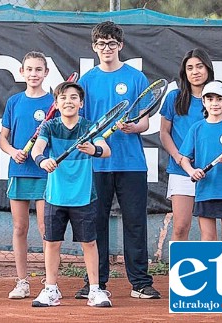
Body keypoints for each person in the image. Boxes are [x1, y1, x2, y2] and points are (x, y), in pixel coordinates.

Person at [77, 21, 160, 299]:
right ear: (94, 47)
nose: (107, 48)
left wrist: (133, 127)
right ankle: (95, 283)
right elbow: (82, 122)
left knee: (135, 222)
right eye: (101, 44)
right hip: (97, 164)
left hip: (132, 163)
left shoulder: (136, 78)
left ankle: (140, 283)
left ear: (120, 46)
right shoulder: (87, 81)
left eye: (112, 44)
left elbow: (145, 121)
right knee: (95, 223)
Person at [29, 81, 112, 307]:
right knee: (52, 243)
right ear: (56, 103)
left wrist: (92, 149)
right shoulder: (49, 127)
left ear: (81, 103)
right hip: (55, 196)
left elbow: (106, 150)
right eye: (63, 98)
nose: (68, 101)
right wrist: (43, 160)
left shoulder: (89, 128)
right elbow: (38, 149)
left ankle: (95, 290)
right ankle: (50, 290)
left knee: (89, 243)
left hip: (83, 196)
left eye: (74, 98)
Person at [0, 51, 51, 299]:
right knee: (20, 227)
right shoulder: (14, 102)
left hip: (44, 174)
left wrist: (42, 157)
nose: (33, 74)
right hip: (18, 171)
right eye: (29, 69)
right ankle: (22, 281)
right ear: (21, 72)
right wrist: (13, 152)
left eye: (38, 69)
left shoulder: (54, 104)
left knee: (45, 228)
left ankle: (50, 282)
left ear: (46, 73)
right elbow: (2, 139)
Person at [179, 80, 222, 241]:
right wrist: (192, 171)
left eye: (219, 99)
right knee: (208, 238)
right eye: (210, 99)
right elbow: (184, 160)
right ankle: (211, 268)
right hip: (205, 191)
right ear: (203, 102)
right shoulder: (196, 128)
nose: (215, 103)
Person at [160, 48, 214, 241]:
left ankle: (210, 271)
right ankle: (179, 272)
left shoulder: (216, 99)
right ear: (185, 72)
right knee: (181, 227)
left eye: (199, 66)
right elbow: (164, 133)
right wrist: (179, 157)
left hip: (210, 173)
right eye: (190, 68)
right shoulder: (174, 97)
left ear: (208, 69)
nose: (195, 71)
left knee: (208, 232)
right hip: (180, 171)